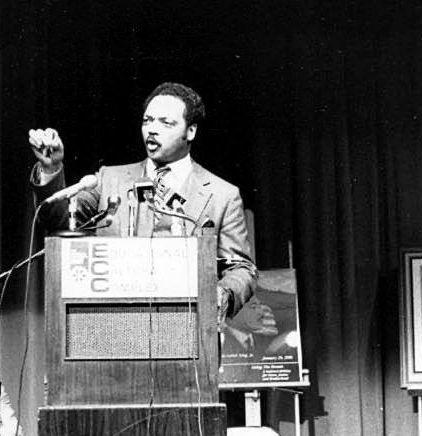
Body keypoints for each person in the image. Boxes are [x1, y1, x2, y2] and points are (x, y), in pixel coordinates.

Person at [27, 81, 257, 323]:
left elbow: (242, 269)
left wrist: (225, 293)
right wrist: (50, 168)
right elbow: (58, 219)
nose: (152, 130)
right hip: (116, 328)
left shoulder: (222, 195)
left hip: (189, 332)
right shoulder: (109, 179)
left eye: (166, 123)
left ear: (191, 131)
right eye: (148, 121)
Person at [221, 296, 278, 360]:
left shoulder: (267, 344)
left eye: (260, 307)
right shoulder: (219, 343)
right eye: (253, 307)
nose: (262, 313)